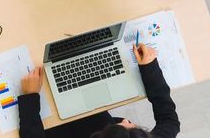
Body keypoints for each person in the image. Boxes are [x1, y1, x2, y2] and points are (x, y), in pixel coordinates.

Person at [17, 43, 180, 138]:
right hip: (90, 115)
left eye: (124, 126)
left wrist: (30, 97)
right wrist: (149, 67)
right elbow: (169, 121)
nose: (126, 121)